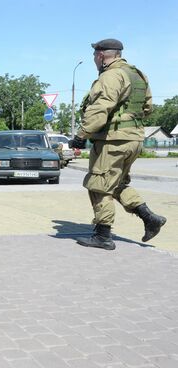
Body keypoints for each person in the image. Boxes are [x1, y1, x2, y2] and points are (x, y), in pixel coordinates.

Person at [69, 39, 166, 250]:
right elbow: (147, 107)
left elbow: (99, 108)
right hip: (134, 139)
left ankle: (103, 236)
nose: (94, 60)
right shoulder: (138, 75)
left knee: (99, 185)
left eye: (95, 56)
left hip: (113, 141)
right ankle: (150, 218)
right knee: (117, 184)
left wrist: (81, 135)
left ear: (101, 55)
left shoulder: (111, 76)